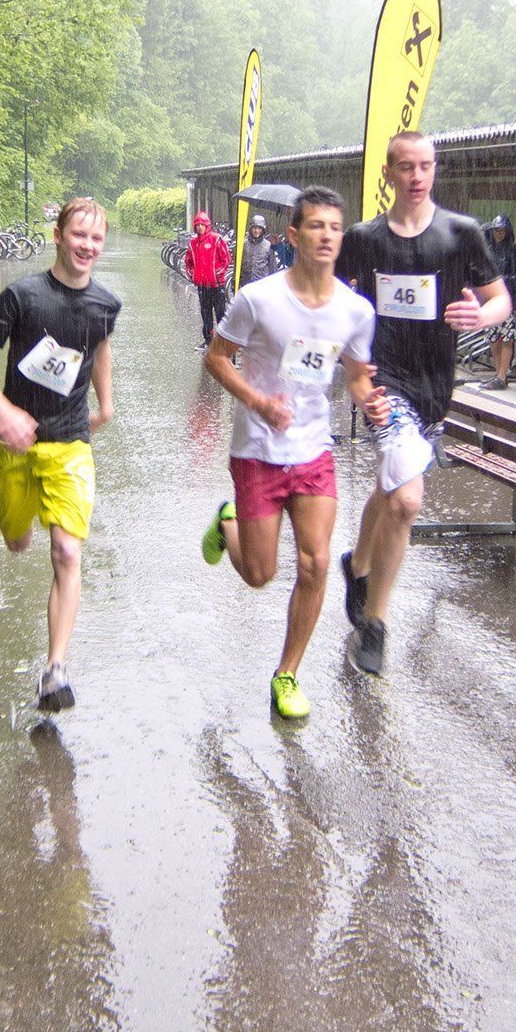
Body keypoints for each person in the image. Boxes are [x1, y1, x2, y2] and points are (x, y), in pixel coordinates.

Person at [198, 186, 384, 720]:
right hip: (257, 450)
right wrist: (257, 400)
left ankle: (286, 675)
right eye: (316, 226)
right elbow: (216, 359)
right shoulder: (258, 299)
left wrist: (373, 404)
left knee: (317, 562)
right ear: (294, 235)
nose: (327, 236)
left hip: (312, 450)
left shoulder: (355, 310)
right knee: (260, 574)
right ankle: (226, 522)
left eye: (335, 227)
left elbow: (355, 377)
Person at [335, 131, 511, 676]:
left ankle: (358, 563)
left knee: (391, 488)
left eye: (426, 166)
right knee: (408, 500)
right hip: (387, 382)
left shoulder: (461, 234)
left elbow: (501, 298)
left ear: (436, 170)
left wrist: (482, 317)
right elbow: (339, 313)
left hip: (436, 388)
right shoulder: (364, 239)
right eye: (406, 167)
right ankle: (376, 625)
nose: (417, 177)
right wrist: (355, 377)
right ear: (388, 173)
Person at [0, 198, 119, 713]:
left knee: (67, 552)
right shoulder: (22, 295)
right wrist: (1, 409)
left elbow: (99, 347)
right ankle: (13, 504)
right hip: (15, 443)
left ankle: (55, 670)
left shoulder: (104, 304)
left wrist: (106, 402)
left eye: (96, 238)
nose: (87, 246)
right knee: (16, 541)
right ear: (58, 235)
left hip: (70, 442)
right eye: (79, 235)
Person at [481, 214, 516, 392]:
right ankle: (499, 373)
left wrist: (502, 281)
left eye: (501, 231)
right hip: (491, 301)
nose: (498, 234)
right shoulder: (489, 252)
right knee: (493, 338)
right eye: (496, 231)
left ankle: (502, 375)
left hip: (508, 300)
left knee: (507, 338)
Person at [185, 210, 232, 347]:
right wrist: (193, 274)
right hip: (202, 285)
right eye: (197, 225)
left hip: (217, 285)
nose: (200, 227)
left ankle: (223, 343)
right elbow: (188, 261)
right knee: (205, 314)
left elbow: (226, 259)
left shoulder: (216, 239)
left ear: (207, 225)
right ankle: (208, 341)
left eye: (202, 224)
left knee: (220, 314)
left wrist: (217, 275)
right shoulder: (193, 243)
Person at [238, 212, 278, 287]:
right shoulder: (244, 244)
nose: (257, 231)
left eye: (259, 228)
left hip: (261, 284)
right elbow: (238, 265)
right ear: (250, 228)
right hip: (245, 284)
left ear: (263, 230)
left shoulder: (268, 245)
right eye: (254, 228)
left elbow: (273, 267)